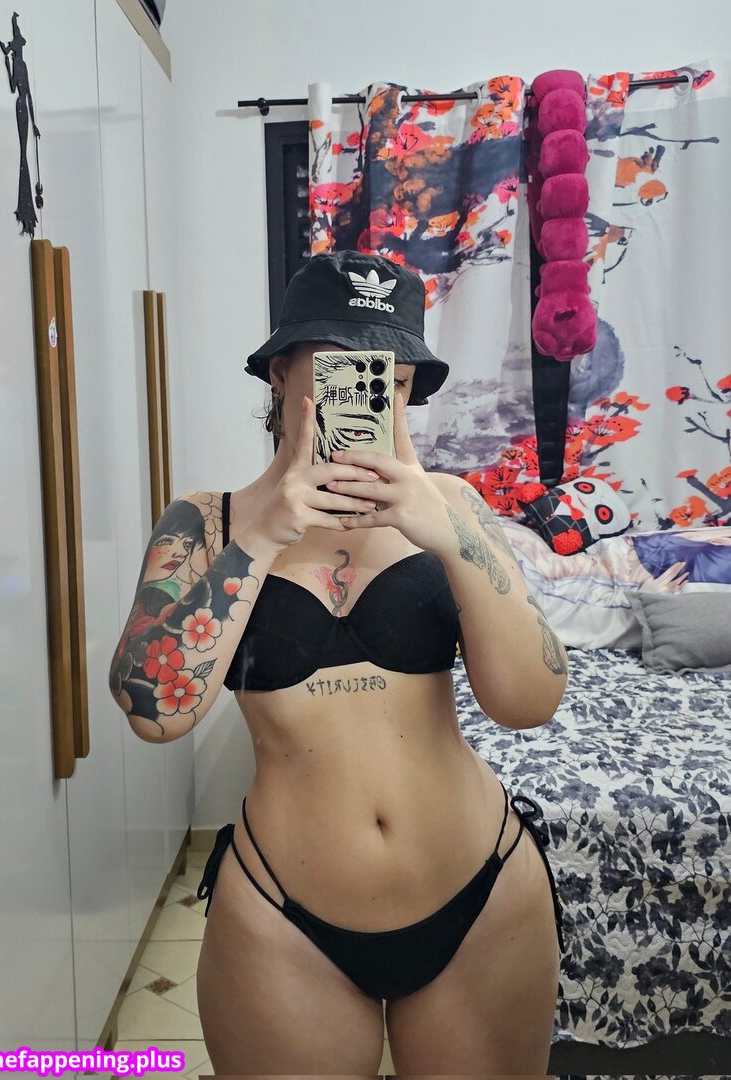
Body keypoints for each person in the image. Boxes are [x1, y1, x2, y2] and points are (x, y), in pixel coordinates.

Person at [109, 250, 569, 1076]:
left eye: (391, 379)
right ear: (281, 373)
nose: (367, 396)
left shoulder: (454, 507)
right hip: (282, 915)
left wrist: (448, 536)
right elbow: (154, 712)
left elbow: (528, 701)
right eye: (340, 371)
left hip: (482, 888)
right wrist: (264, 534)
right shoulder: (207, 523)